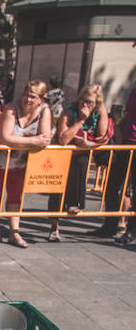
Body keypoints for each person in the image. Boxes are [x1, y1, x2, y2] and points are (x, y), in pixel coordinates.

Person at [0, 80, 52, 248]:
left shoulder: (44, 111)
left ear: (40, 99)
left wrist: (22, 142)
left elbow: (45, 139)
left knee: (15, 195)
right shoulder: (11, 108)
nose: (27, 99)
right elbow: (4, 138)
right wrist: (33, 140)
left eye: (33, 97)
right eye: (26, 94)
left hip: (21, 161)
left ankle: (14, 231)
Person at [51, 84, 111, 241]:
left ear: (96, 103)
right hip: (62, 153)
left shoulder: (100, 111)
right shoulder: (69, 110)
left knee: (82, 162)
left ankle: (75, 202)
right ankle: (54, 228)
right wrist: (81, 120)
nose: (86, 105)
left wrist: (87, 144)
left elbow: (102, 137)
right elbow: (63, 139)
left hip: (81, 154)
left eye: (90, 102)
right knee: (55, 189)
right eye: (83, 100)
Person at [109, 85, 136, 244]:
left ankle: (131, 230)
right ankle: (110, 224)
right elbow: (127, 114)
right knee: (113, 183)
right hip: (125, 142)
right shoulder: (133, 91)